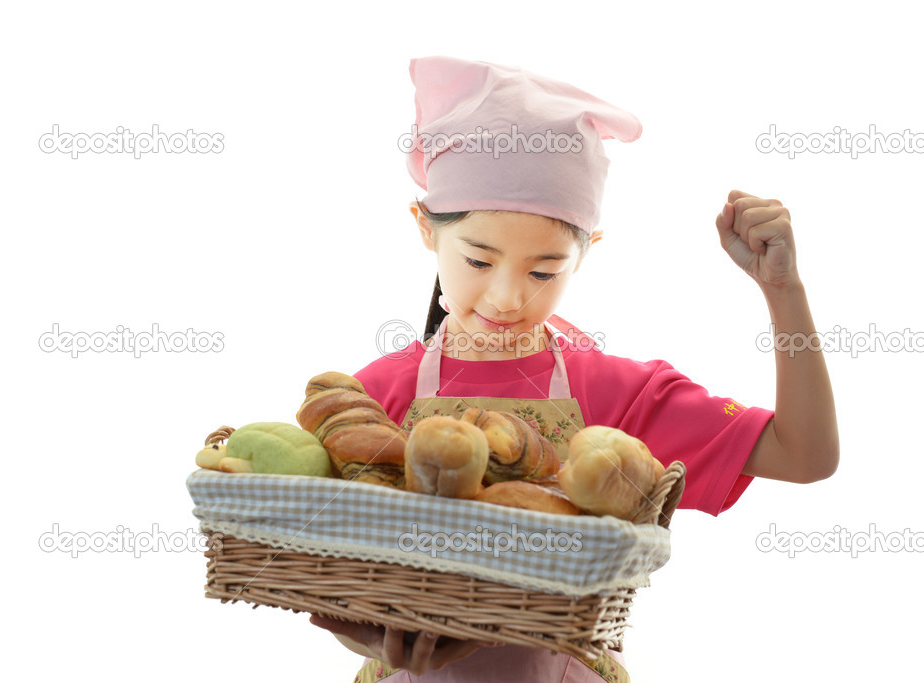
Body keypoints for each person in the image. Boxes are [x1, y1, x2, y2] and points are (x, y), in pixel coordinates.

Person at [309, 55, 839, 681]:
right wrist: (370, 636)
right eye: (479, 260)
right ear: (426, 229)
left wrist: (784, 291)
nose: (509, 297)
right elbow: (339, 571)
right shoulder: (370, 399)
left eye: (543, 271)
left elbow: (805, 455)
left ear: (586, 255)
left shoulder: (614, 394)